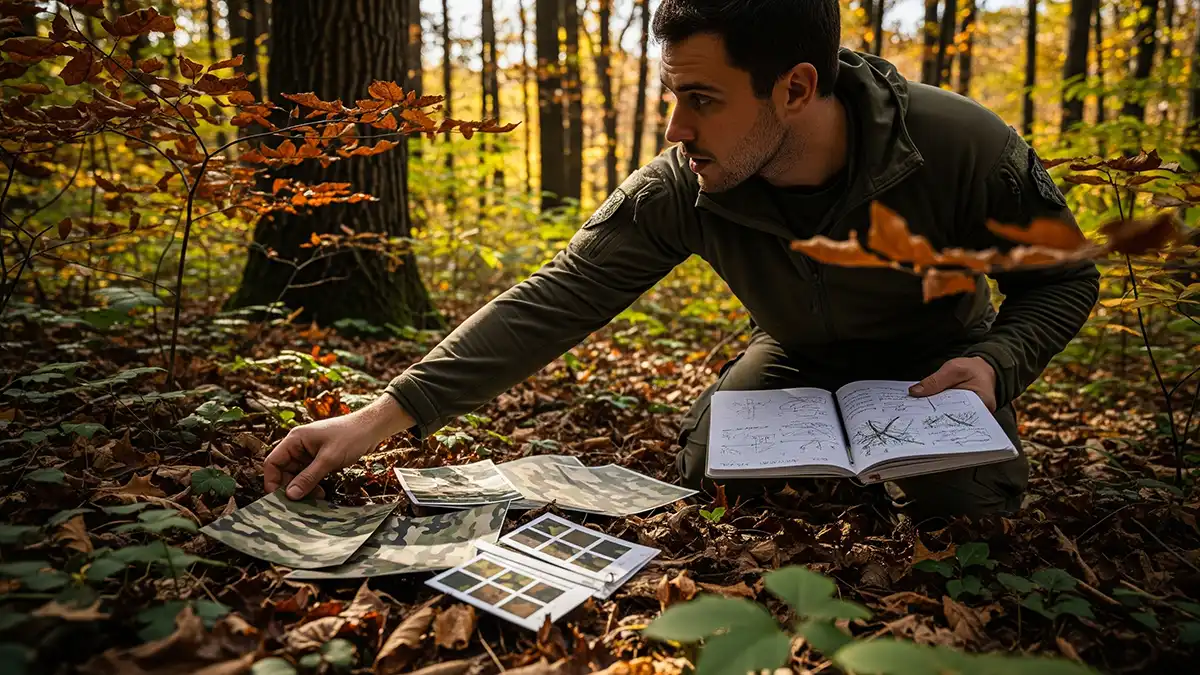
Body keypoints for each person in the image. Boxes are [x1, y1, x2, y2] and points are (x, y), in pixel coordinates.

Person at [263, 0, 1099, 522]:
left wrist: (995, 363)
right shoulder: (686, 183)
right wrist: (377, 419)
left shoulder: (960, 147)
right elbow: (554, 298)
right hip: (798, 357)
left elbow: (1063, 278)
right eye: (672, 95)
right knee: (712, 465)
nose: (674, 128)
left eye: (701, 99)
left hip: (935, 366)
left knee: (966, 508)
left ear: (796, 89)